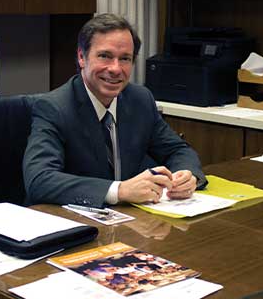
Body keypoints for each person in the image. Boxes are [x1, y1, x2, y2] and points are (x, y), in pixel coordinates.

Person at [23, 13, 207, 208]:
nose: (115, 69)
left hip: (130, 221)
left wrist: (186, 175)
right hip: (74, 222)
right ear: (81, 57)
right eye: (105, 56)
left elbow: (177, 150)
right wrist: (119, 191)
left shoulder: (140, 100)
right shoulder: (54, 107)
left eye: (125, 59)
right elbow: (39, 179)